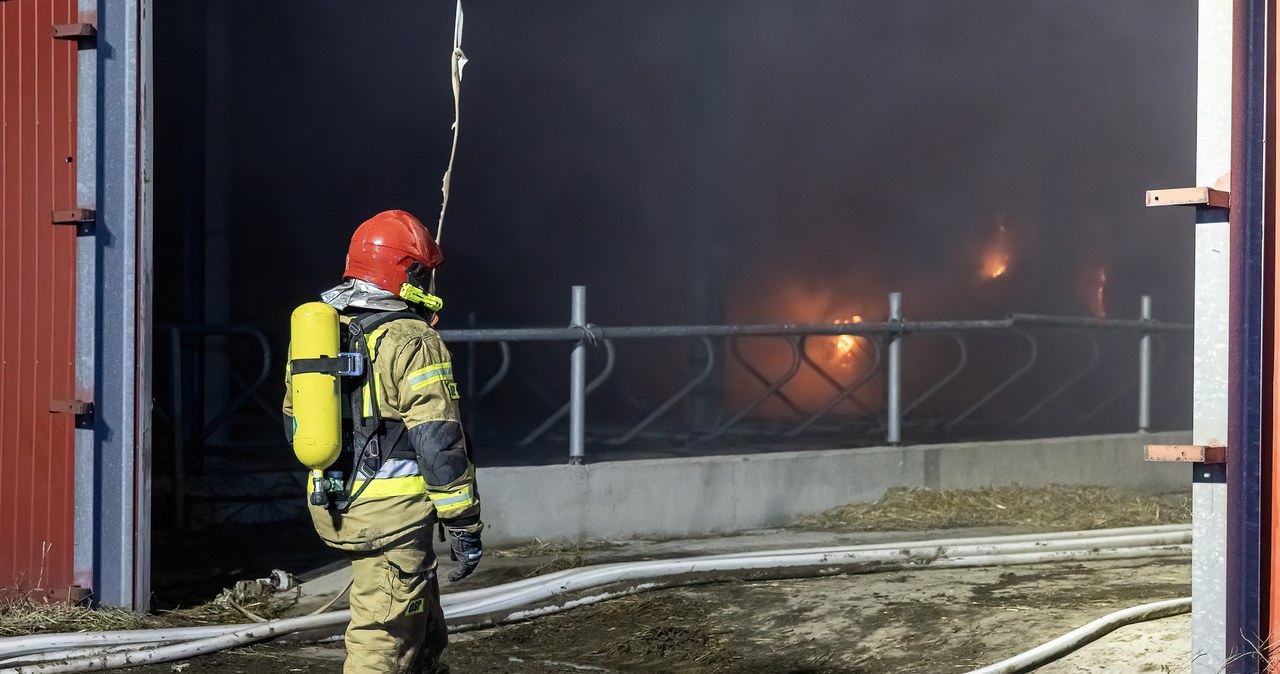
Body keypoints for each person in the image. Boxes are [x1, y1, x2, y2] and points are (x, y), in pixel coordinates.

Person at [283, 209, 482, 674]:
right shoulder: (412, 339)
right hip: (394, 519)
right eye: (424, 272)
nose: (429, 283)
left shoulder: (319, 330)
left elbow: (292, 417)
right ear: (407, 272)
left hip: (342, 503)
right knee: (383, 644)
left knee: (423, 634)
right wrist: (463, 521)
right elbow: (438, 440)